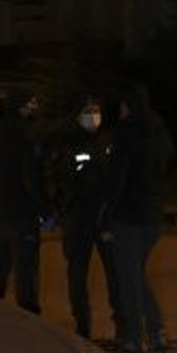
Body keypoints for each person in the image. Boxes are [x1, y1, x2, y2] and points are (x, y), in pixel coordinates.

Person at [104, 84, 169, 353]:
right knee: (136, 276)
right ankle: (156, 332)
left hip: (129, 216)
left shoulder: (125, 132)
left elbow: (117, 177)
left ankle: (136, 335)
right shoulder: (159, 130)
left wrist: (107, 214)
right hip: (153, 215)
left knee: (128, 278)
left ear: (128, 106)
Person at [55, 96, 120, 339]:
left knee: (114, 273)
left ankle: (122, 324)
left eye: (96, 110)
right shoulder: (68, 142)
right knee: (77, 274)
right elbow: (60, 178)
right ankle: (83, 327)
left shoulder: (108, 140)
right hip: (77, 218)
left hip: (104, 217)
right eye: (88, 111)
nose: (93, 115)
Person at [0, 89, 46, 314]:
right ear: (21, 106)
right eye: (32, 103)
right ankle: (29, 321)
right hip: (21, 215)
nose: (34, 108)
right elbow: (30, 177)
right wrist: (44, 209)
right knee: (25, 271)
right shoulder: (24, 136)